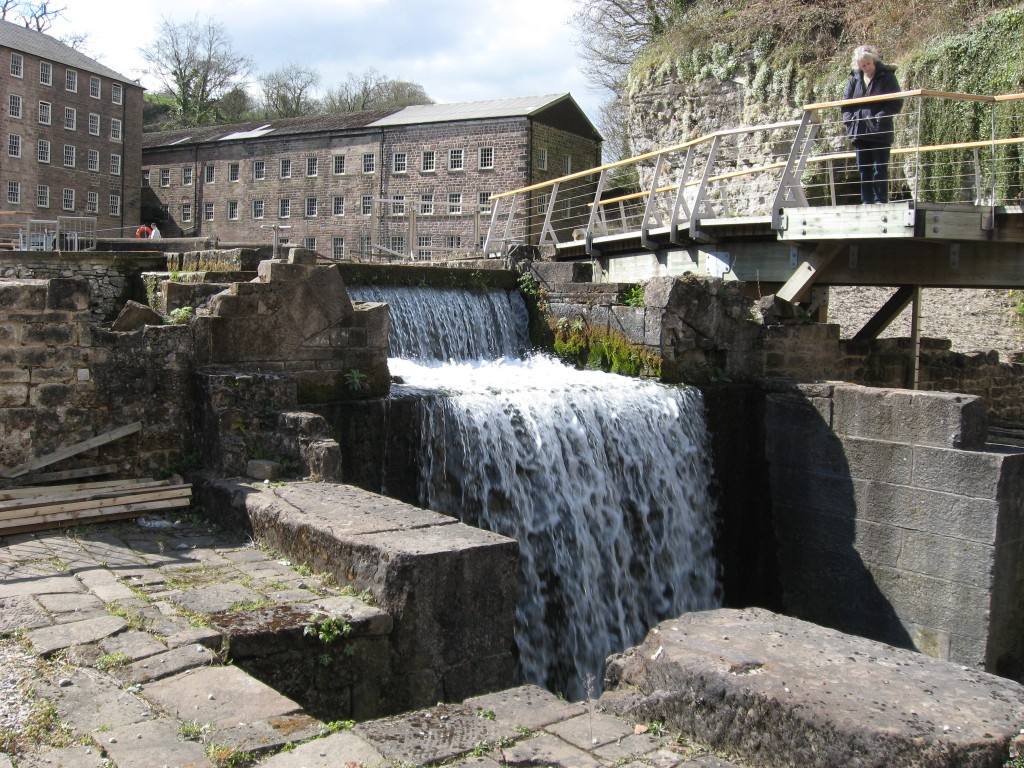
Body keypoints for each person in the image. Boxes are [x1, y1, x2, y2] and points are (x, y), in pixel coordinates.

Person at [841, 45, 903, 205]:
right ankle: (867, 201)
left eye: (868, 64)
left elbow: (896, 102)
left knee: (879, 167)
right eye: (863, 65)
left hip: (879, 131)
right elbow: (846, 104)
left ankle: (880, 200)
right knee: (864, 169)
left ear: (874, 61)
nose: (867, 68)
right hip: (859, 130)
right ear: (858, 66)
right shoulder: (855, 78)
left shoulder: (887, 77)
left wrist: (879, 118)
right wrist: (850, 120)